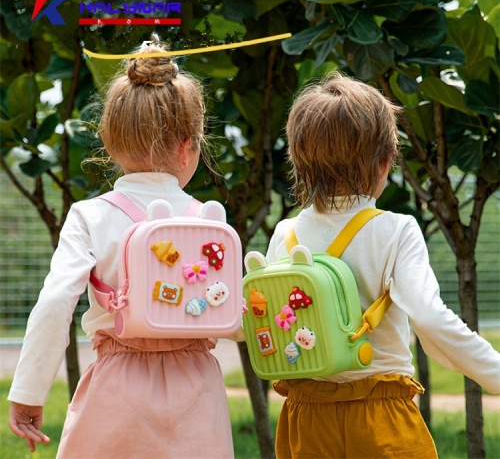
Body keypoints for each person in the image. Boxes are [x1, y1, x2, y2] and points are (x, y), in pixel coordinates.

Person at [8, 34, 235, 458]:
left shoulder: (90, 216)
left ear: (109, 142)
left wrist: (29, 391)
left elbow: (57, 300)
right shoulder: (209, 222)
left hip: (117, 386)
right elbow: (233, 314)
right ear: (189, 146)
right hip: (198, 392)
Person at [266, 72, 500, 458]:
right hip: (381, 413)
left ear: (298, 159)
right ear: (385, 162)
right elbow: (429, 319)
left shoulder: (284, 235)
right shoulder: (396, 229)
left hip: (305, 417)